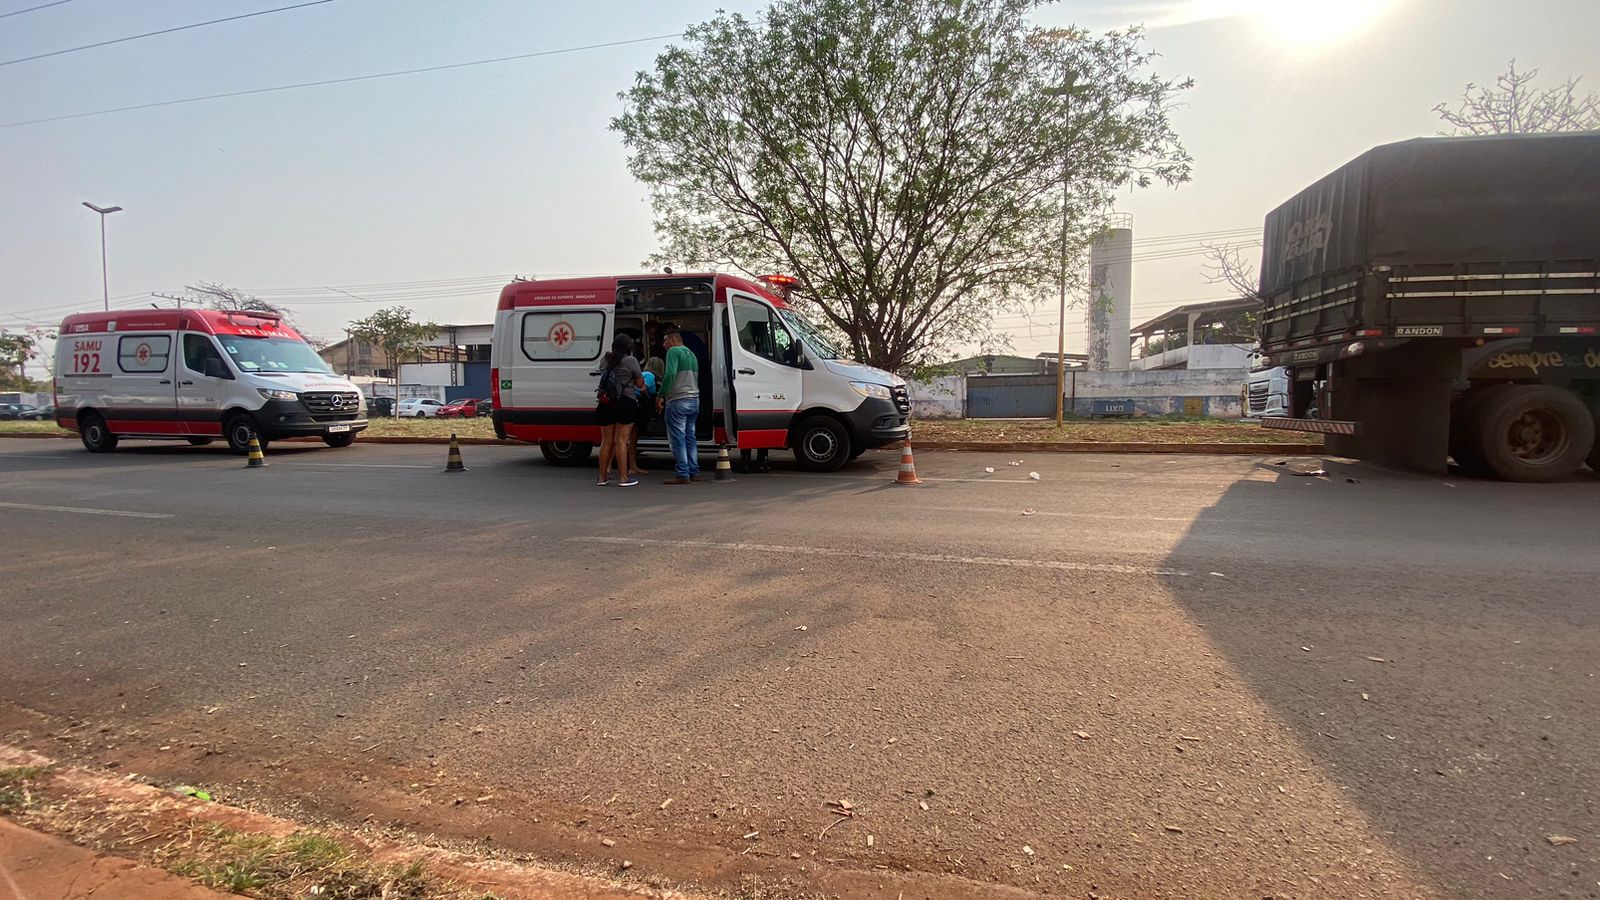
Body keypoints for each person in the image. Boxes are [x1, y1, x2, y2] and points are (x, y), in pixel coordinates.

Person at [595, 334, 644, 487]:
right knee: (621, 441)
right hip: (625, 403)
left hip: (606, 403)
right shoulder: (631, 361)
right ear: (629, 347)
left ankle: (602, 478)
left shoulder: (605, 359)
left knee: (606, 441)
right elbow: (640, 383)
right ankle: (623, 478)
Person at [657, 327, 700, 484]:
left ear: (673, 340)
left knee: (678, 438)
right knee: (690, 437)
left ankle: (682, 473)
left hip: (678, 399)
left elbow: (670, 374)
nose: (663, 345)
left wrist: (661, 394)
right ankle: (693, 471)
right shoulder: (691, 353)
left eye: (665, 340)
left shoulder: (673, 352)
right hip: (694, 399)